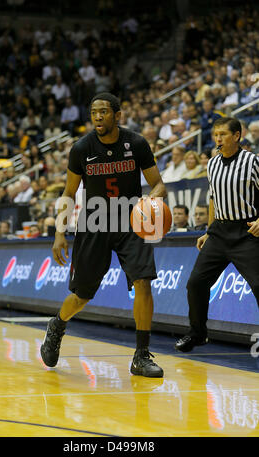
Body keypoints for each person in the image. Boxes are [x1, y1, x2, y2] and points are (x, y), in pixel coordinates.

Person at [40, 92, 167, 377]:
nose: (98, 116)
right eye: (94, 112)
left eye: (104, 112)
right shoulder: (81, 148)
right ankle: (57, 325)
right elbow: (69, 193)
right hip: (94, 223)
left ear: (117, 115)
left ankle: (141, 355)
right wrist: (60, 233)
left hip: (132, 222)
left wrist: (151, 201)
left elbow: (158, 185)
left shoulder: (136, 143)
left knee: (143, 282)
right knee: (82, 296)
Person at [175, 117, 259, 352]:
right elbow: (213, 199)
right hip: (219, 232)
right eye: (215, 135)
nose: (218, 139)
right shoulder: (212, 164)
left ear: (237, 136)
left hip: (246, 232)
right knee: (195, 284)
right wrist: (209, 231)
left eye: (223, 134)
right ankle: (198, 333)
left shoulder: (252, 162)